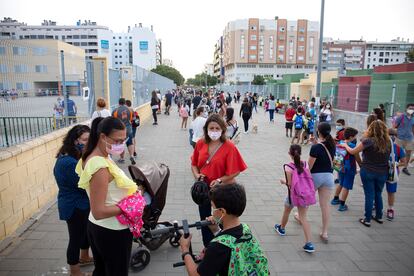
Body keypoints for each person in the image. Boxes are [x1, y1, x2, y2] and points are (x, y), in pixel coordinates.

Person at [76, 117, 139, 276]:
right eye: (117, 140)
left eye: (124, 140)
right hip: (112, 230)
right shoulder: (99, 167)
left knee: (102, 270)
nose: (121, 144)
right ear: (102, 137)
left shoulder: (97, 155)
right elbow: (98, 211)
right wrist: (128, 207)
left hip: (101, 228)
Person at [179, 183, 269, 276]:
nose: (212, 211)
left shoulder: (216, 247)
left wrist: (185, 249)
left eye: (213, 207)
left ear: (222, 211)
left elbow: (196, 275)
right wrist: (216, 230)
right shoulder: (245, 228)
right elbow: (231, 242)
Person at [191, 114, 247, 247]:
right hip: (204, 189)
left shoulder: (229, 147)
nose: (214, 131)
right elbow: (194, 164)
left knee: (221, 220)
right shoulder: (200, 143)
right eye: (211, 128)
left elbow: (236, 171)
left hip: (223, 191)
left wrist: (220, 180)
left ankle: (224, 248)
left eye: (217, 128)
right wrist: (197, 175)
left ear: (222, 129)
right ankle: (207, 249)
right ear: (206, 129)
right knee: (205, 220)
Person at [53, 125, 92, 276]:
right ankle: (75, 271)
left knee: (84, 232)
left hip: (79, 202)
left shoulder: (72, 155)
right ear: (75, 141)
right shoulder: (68, 162)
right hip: (74, 205)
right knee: (75, 237)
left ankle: (84, 257)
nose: (88, 142)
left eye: (90, 139)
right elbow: (83, 185)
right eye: (85, 140)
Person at [343, 120, 391, 227]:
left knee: (369, 194)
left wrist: (346, 145)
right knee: (378, 194)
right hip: (383, 172)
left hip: (368, 171)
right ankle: (379, 216)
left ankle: (367, 219)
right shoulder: (388, 142)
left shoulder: (368, 141)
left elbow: (353, 151)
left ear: (370, 129)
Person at [274, 145, 316, 253]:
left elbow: (289, 184)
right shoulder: (306, 164)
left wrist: (283, 181)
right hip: (304, 194)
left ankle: (282, 228)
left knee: (287, 210)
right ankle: (309, 243)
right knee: (303, 217)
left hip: (293, 195)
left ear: (289, 153)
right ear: (300, 153)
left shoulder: (288, 167)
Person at [307, 122, 336, 242]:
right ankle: (324, 232)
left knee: (307, 198)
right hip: (329, 177)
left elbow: (309, 166)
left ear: (319, 132)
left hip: (316, 177)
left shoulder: (316, 148)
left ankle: (300, 216)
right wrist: (316, 143)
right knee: (325, 206)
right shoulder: (332, 145)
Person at [330, 127, 359, 211]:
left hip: (340, 166)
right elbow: (357, 158)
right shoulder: (352, 146)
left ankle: (335, 199)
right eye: (355, 136)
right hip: (349, 168)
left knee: (341, 183)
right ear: (350, 137)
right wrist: (360, 165)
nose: (355, 138)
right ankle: (342, 205)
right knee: (346, 186)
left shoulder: (340, 143)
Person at [385, 128, 406, 221]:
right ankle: (375, 205)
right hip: (381, 171)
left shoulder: (398, 148)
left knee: (391, 192)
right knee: (377, 190)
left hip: (392, 173)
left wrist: (396, 164)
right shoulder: (382, 146)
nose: (391, 137)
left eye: (393, 135)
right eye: (389, 135)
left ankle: (390, 209)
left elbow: (404, 162)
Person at [112, 98, 135, 165]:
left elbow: (113, 120)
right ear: (125, 103)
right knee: (130, 142)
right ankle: (131, 156)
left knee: (121, 143)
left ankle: (122, 158)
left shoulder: (115, 110)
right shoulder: (130, 109)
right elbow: (133, 118)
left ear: (119, 103)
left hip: (120, 129)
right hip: (128, 128)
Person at [392, 103, 414, 176]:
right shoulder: (401, 117)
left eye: (413, 109)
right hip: (400, 138)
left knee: (408, 154)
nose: (412, 110)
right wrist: (395, 133)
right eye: (410, 108)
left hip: (409, 138)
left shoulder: (413, 118)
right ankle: (395, 166)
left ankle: (405, 167)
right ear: (406, 109)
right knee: (397, 153)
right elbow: (394, 125)